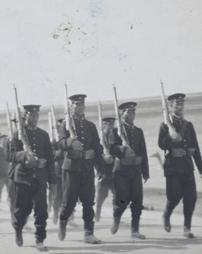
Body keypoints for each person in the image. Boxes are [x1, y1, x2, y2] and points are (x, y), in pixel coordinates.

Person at [57, 94, 104, 244]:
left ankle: (88, 233)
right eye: (76, 105)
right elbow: (60, 143)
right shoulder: (65, 124)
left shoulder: (90, 126)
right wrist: (70, 142)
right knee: (69, 201)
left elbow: (97, 147)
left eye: (82, 105)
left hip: (87, 168)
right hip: (71, 168)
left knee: (88, 202)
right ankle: (63, 221)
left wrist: (100, 167)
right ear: (71, 107)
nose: (79, 107)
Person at [9, 105, 57, 251]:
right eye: (31, 115)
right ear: (25, 117)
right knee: (22, 210)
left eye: (37, 115)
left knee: (41, 210)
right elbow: (9, 155)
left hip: (40, 178)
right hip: (23, 177)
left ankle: (40, 239)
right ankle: (18, 229)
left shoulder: (43, 135)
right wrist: (24, 155)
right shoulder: (17, 135)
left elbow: (49, 158)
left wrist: (53, 181)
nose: (34, 118)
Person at [158, 93, 202, 238]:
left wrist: (200, 167)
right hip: (172, 166)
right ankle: (166, 215)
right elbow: (161, 144)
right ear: (171, 106)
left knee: (191, 197)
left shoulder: (188, 126)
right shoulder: (165, 125)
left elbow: (195, 147)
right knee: (174, 197)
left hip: (187, 165)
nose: (180, 106)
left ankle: (187, 227)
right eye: (176, 104)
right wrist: (170, 136)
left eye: (182, 104)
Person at [109, 103, 150, 239]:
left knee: (138, 200)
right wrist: (123, 150)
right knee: (122, 199)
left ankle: (135, 230)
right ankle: (116, 216)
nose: (132, 115)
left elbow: (143, 151)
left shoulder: (139, 131)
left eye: (133, 112)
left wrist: (145, 171)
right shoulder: (115, 131)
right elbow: (112, 148)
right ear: (122, 114)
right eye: (128, 112)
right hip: (121, 171)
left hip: (136, 170)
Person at [95, 117, 115, 223]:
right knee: (100, 196)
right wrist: (103, 158)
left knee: (117, 196)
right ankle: (97, 212)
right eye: (108, 125)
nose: (110, 128)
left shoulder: (116, 139)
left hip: (115, 171)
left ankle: (116, 216)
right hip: (103, 172)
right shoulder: (98, 140)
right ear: (103, 126)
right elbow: (95, 155)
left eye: (112, 125)